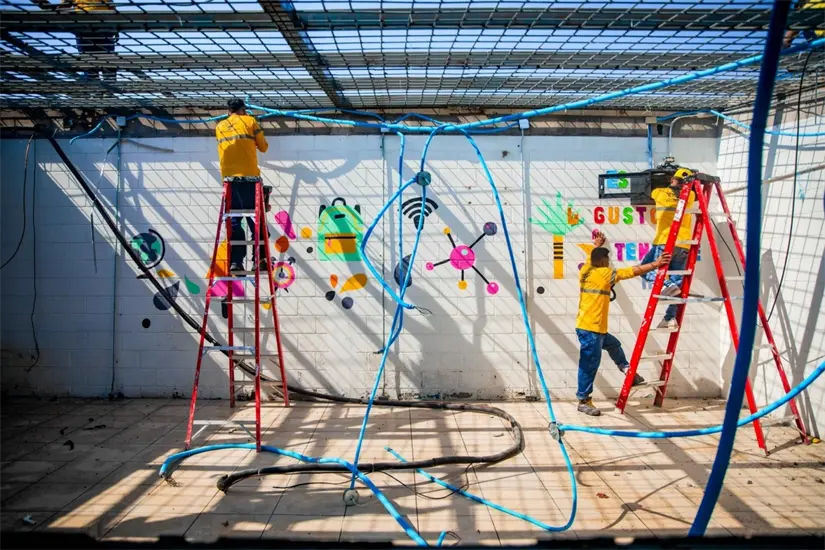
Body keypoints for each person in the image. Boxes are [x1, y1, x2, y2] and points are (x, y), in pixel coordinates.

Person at [576, 230, 671, 416]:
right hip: (591, 329)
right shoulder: (603, 274)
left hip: (590, 327)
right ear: (603, 262)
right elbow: (631, 271)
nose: (609, 263)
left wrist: (597, 245)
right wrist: (656, 264)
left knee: (614, 345)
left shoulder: (586, 270)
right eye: (607, 260)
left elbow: (591, 257)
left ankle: (628, 371)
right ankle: (583, 400)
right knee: (589, 364)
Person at [215, 98, 270, 273]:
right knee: (256, 220)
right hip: (249, 180)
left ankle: (236, 262)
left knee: (234, 222)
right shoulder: (250, 121)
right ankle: (259, 259)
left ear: (228, 111)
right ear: (243, 109)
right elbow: (263, 147)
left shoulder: (219, 127)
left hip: (229, 182)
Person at [640, 167, 696, 330]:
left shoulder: (660, 193)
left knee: (644, 268)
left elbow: (650, 190)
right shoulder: (690, 196)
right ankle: (670, 318)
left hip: (666, 241)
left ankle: (664, 285)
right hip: (684, 243)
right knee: (678, 284)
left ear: (673, 179)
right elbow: (688, 191)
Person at [34, 1, 118, 81]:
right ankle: (103, 83)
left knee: (91, 58)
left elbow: (65, 6)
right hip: (99, 22)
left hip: (88, 23)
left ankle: (99, 84)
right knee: (102, 57)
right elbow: (111, 6)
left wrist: (54, 12)